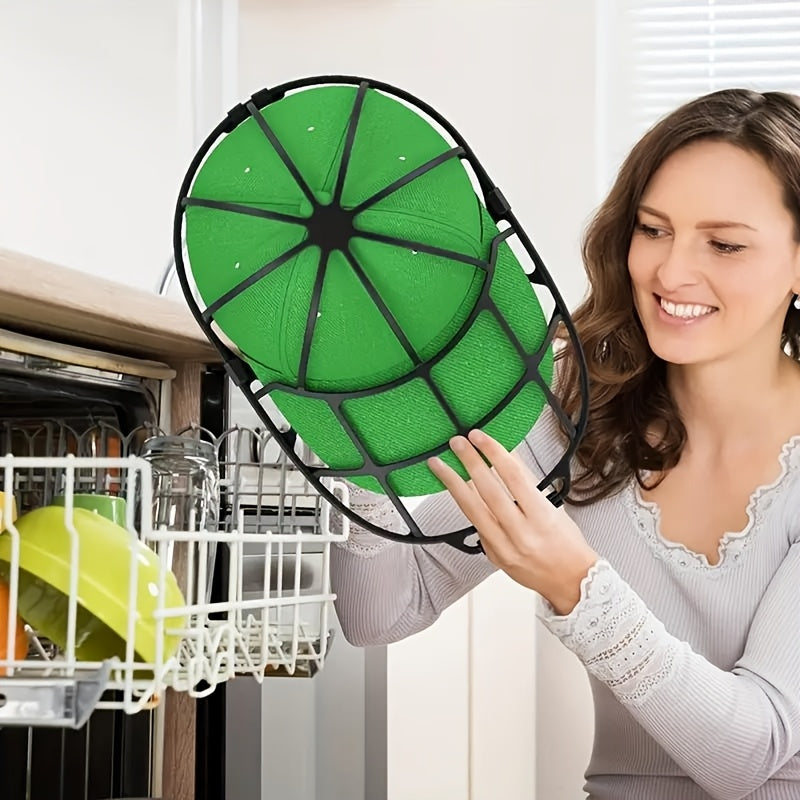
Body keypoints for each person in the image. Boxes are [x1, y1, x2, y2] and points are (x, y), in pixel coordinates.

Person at [329, 88, 800, 800]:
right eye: (653, 229)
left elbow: (749, 755)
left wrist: (576, 584)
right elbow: (386, 610)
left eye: (725, 244)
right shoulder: (578, 410)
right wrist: (349, 420)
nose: (671, 273)